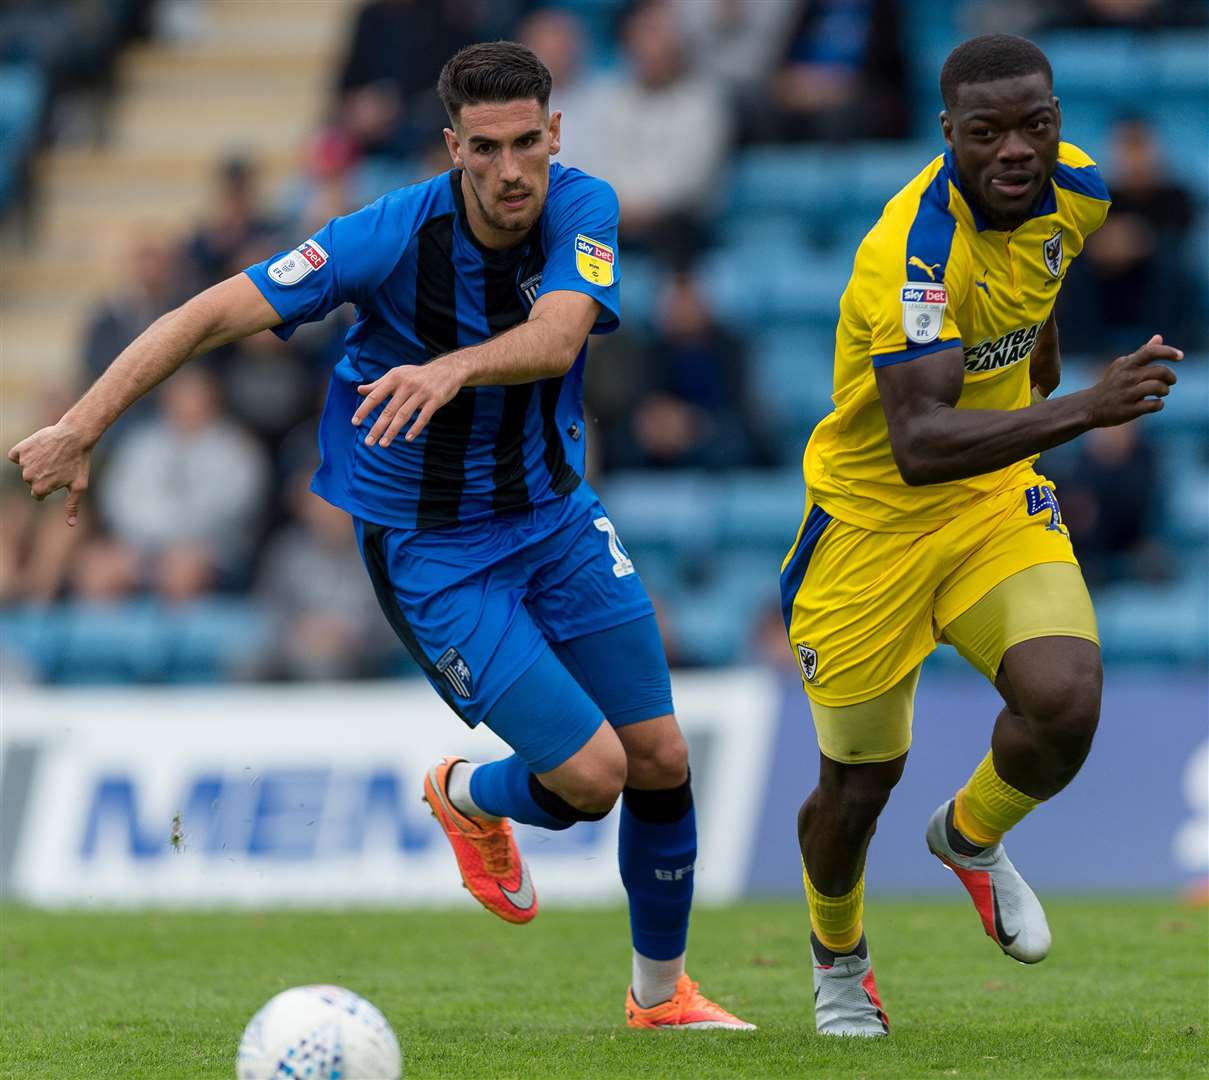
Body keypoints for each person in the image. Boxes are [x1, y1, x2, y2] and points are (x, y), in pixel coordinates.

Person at [8, 40, 753, 1032]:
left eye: (528, 142)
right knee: (595, 780)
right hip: (436, 554)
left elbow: (564, 332)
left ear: (555, 133)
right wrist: (82, 424)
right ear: (452, 147)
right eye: (484, 149)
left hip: (557, 518)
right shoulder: (387, 237)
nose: (510, 170)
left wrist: (452, 370)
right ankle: (468, 795)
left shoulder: (584, 204)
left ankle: (661, 1000)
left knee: (661, 756)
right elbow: (202, 314)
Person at [778, 34, 1184, 1037]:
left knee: (1066, 698)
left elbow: (1039, 280)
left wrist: (1042, 350)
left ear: (1057, 122)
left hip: (993, 503)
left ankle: (968, 837)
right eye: (987, 131)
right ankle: (839, 962)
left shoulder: (1080, 192)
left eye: (1035, 125)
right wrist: (1085, 408)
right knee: (856, 790)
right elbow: (917, 441)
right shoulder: (908, 253)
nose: (1016, 149)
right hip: (871, 528)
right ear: (947, 133)